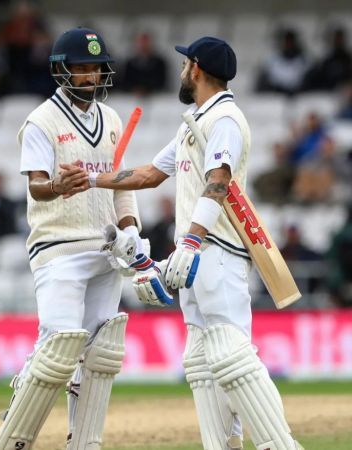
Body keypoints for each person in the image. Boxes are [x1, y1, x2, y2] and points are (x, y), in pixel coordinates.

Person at [79, 36, 303, 450]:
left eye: (186, 64)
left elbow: (219, 181)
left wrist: (191, 241)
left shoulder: (225, 120)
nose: (182, 70)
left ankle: (281, 446)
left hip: (217, 254)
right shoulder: (195, 123)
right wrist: (90, 180)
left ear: (196, 69)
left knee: (233, 358)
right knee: (203, 364)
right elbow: (148, 174)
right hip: (198, 257)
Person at [0, 27, 150, 450]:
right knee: (59, 348)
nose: (90, 77)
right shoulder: (41, 121)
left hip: (107, 250)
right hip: (58, 247)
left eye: (95, 69)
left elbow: (122, 183)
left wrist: (132, 230)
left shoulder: (112, 119)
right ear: (61, 70)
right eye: (80, 68)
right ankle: (14, 435)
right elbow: (37, 186)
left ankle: (84, 442)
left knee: (100, 355)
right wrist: (60, 186)